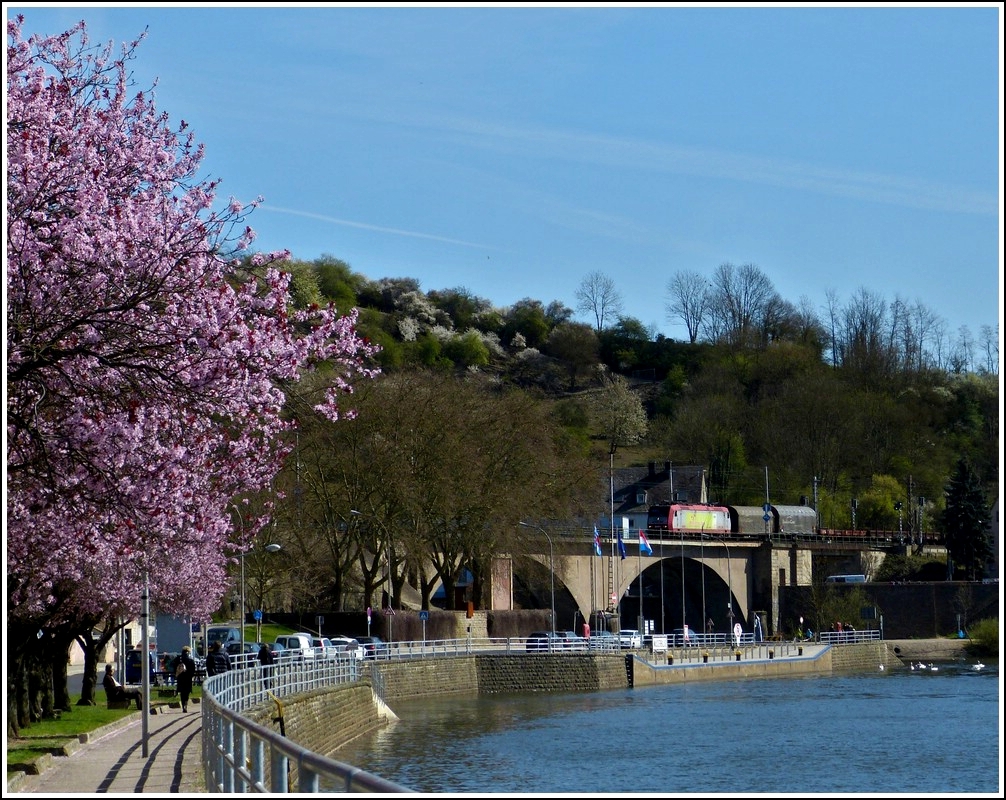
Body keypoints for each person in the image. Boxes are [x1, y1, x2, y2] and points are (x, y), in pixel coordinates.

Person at [173, 645, 196, 712]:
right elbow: (193, 670)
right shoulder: (190, 660)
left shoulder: (177, 659)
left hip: (180, 677)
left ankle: (183, 705)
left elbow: (174, 668)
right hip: (188, 678)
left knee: (182, 693)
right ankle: (186, 704)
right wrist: (191, 675)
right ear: (188, 652)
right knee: (187, 692)